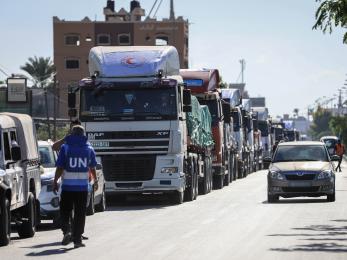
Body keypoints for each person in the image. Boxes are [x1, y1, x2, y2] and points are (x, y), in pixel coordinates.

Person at [53, 125, 98, 248]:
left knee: (65, 211)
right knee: (80, 213)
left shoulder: (65, 147)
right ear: (83, 135)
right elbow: (92, 167)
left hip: (67, 187)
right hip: (82, 188)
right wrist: (95, 180)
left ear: (71, 134)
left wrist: (55, 180)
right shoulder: (89, 148)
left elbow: (60, 167)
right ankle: (77, 240)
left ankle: (67, 231)